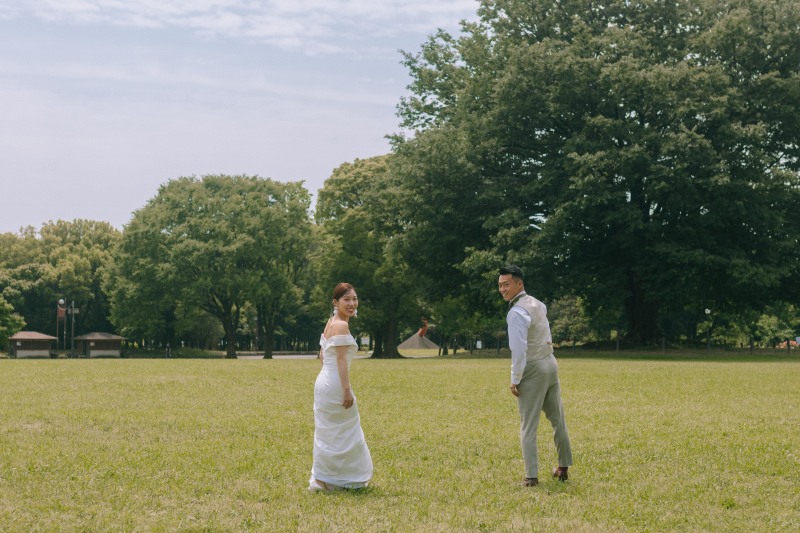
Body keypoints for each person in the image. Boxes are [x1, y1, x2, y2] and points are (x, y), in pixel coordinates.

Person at [498, 265, 573, 487]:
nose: (503, 289)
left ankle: (531, 477)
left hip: (533, 368)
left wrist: (515, 378)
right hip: (550, 363)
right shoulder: (538, 304)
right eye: (500, 285)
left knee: (528, 424)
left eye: (506, 284)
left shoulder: (516, 312)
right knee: (558, 419)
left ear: (519, 284)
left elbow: (519, 350)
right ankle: (563, 467)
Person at [309, 282, 373, 492]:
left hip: (323, 382)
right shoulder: (341, 326)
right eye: (347, 300)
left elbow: (322, 354)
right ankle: (337, 480)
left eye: (354, 299)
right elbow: (341, 360)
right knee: (347, 430)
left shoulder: (330, 323)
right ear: (335, 302)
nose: (352, 304)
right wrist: (346, 389)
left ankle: (323, 479)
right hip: (335, 383)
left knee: (329, 433)